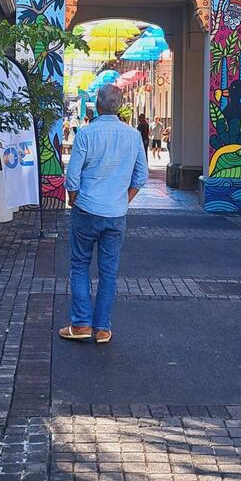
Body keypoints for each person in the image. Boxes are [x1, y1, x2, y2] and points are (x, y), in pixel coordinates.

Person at [60, 83, 148, 345]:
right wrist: (123, 200)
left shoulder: (86, 135)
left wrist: (74, 200)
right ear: (119, 106)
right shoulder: (132, 136)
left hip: (86, 209)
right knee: (108, 272)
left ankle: (81, 324)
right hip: (116, 213)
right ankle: (102, 329)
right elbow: (140, 176)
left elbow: (72, 178)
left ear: (97, 104)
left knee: (79, 266)